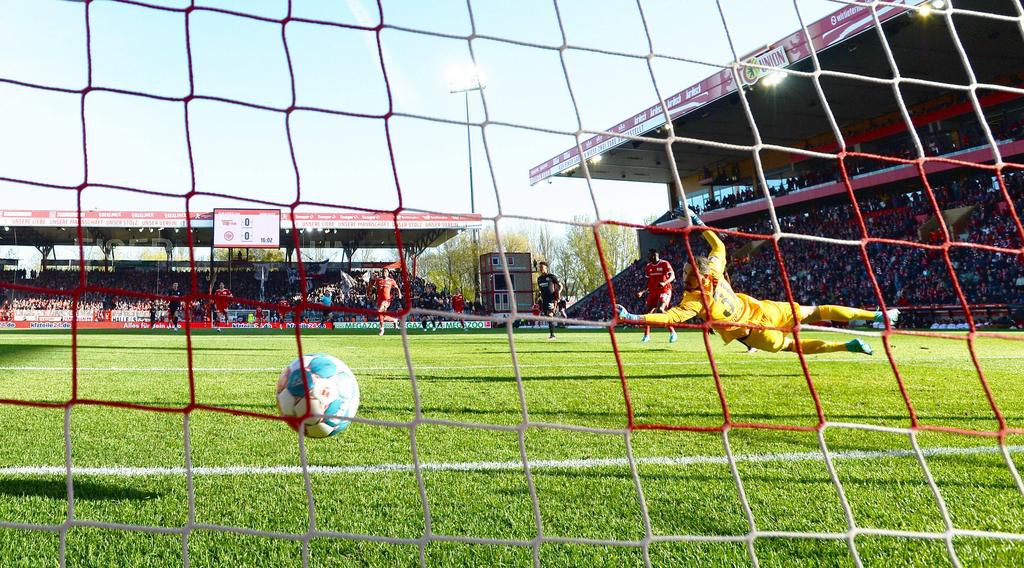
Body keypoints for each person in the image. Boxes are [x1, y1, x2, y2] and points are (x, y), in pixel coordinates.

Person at [617, 213, 898, 355]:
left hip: (755, 333)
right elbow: (718, 244)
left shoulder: (693, 301)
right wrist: (698, 222)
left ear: (694, 276)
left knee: (791, 347)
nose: (684, 271)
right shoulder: (714, 268)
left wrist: (631, 317)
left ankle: (848, 346)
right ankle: (878, 315)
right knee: (816, 311)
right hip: (766, 310)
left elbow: (669, 316)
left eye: (686, 270)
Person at [637, 248, 677, 343]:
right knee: (647, 314)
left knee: (660, 310)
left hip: (665, 290)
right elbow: (648, 282)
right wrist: (642, 291)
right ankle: (646, 336)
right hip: (653, 292)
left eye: (650, 255)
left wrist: (664, 282)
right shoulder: (648, 267)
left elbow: (673, 276)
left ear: (655, 255)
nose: (648, 257)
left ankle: (673, 333)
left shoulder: (664, 264)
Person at [370, 270, 402, 336]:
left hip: (387, 300)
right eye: (383, 272)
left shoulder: (391, 281)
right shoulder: (378, 280)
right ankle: (394, 320)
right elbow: (374, 289)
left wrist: (399, 294)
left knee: (379, 311)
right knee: (382, 316)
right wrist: (371, 294)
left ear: (388, 273)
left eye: (386, 272)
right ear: (382, 273)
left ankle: (382, 330)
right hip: (379, 300)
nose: (384, 273)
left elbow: (397, 288)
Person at [536, 261, 561, 340]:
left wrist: (558, 294)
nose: (540, 269)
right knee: (548, 316)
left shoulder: (552, 277)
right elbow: (540, 290)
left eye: (542, 267)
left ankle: (552, 335)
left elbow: (561, 286)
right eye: (539, 267)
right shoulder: (539, 279)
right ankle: (556, 314)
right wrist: (538, 297)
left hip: (551, 299)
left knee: (550, 315)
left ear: (546, 268)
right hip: (544, 300)